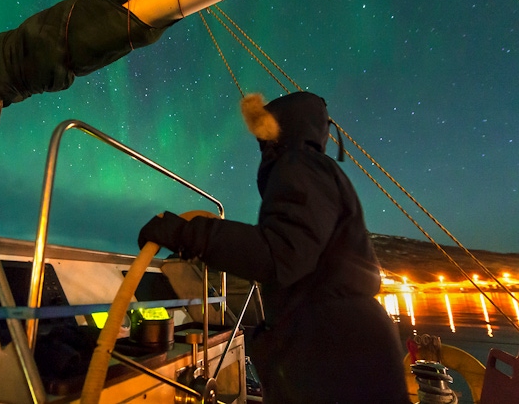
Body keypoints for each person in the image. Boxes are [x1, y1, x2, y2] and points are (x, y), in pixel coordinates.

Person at [137, 92, 411, 403]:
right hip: (347, 349)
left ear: (276, 130)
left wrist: (186, 235)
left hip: (335, 356)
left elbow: (282, 253)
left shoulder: (299, 165)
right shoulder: (318, 168)